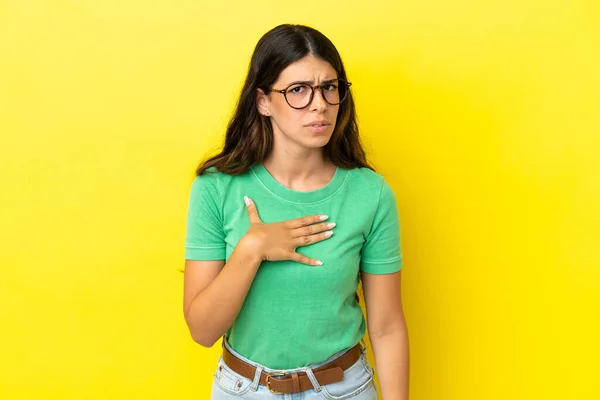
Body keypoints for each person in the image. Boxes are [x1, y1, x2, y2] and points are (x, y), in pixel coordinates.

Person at [183, 24, 409, 399]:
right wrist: (251, 249)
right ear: (263, 102)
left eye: (329, 87)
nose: (319, 104)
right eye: (298, 90)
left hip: (344, 389)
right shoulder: (215, 187)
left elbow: (386, 327)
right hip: (243, 390)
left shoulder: (371, 194)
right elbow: (202, 331)